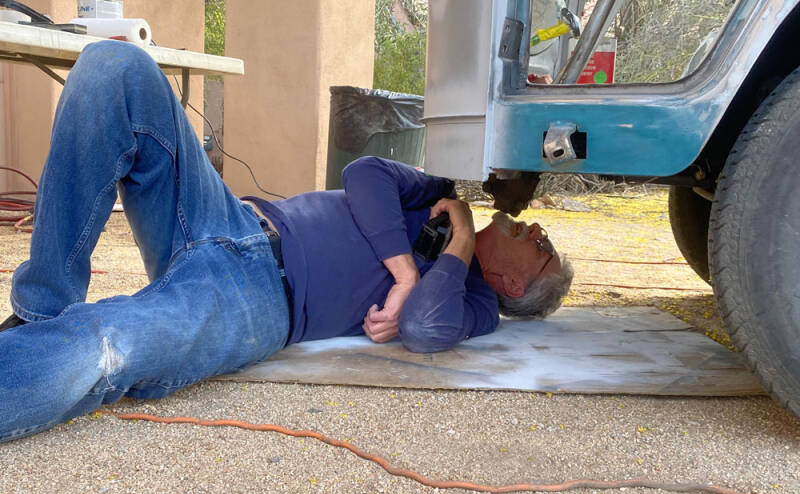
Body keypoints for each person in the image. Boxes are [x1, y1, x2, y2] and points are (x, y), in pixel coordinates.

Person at [0, 41, 573, 443]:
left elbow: (425, 328)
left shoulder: (476, 305)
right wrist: (406, 269)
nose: (538, 229)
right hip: (225, 216)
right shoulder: (437, 193)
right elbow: (366, 174)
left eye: (543, 246)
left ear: (516, 283)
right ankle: (40, 307)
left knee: (108, 340)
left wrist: (464, 241)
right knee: (116, 67)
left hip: (255, 301)